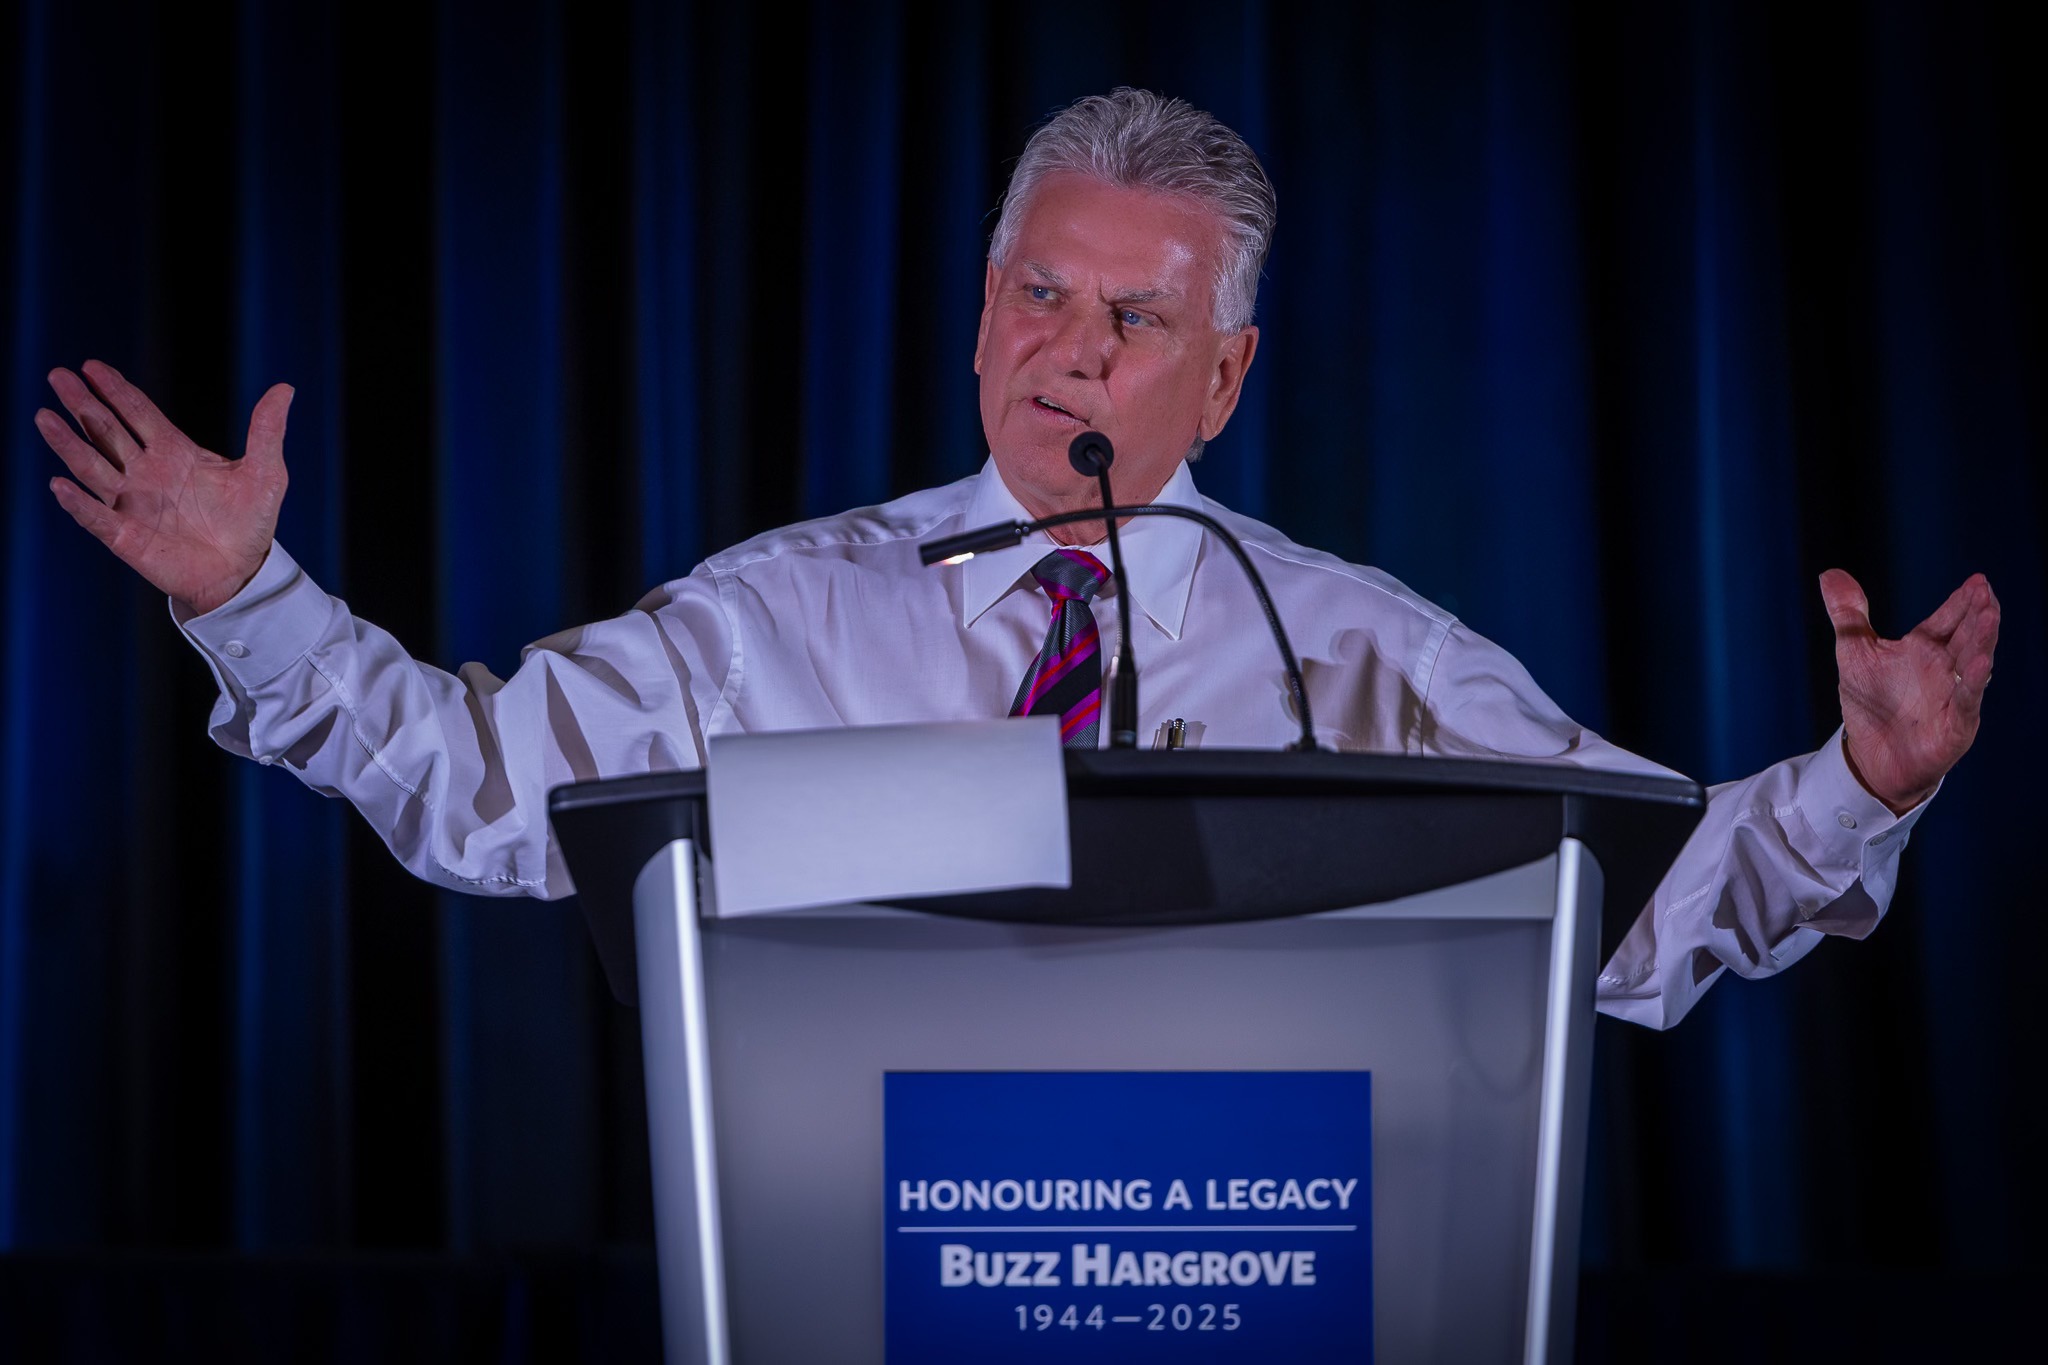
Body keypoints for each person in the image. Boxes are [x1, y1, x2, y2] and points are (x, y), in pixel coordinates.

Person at [34, 89, 1998, 1029]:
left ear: (1221, 373)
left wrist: (1860, 782)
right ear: (979, 318)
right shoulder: (791, 608)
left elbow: (1632, 917)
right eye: (1033, 295)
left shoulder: (1350, 646)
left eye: (1127, 321)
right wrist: (251, 594)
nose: (1064, 345)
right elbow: (476, 790)